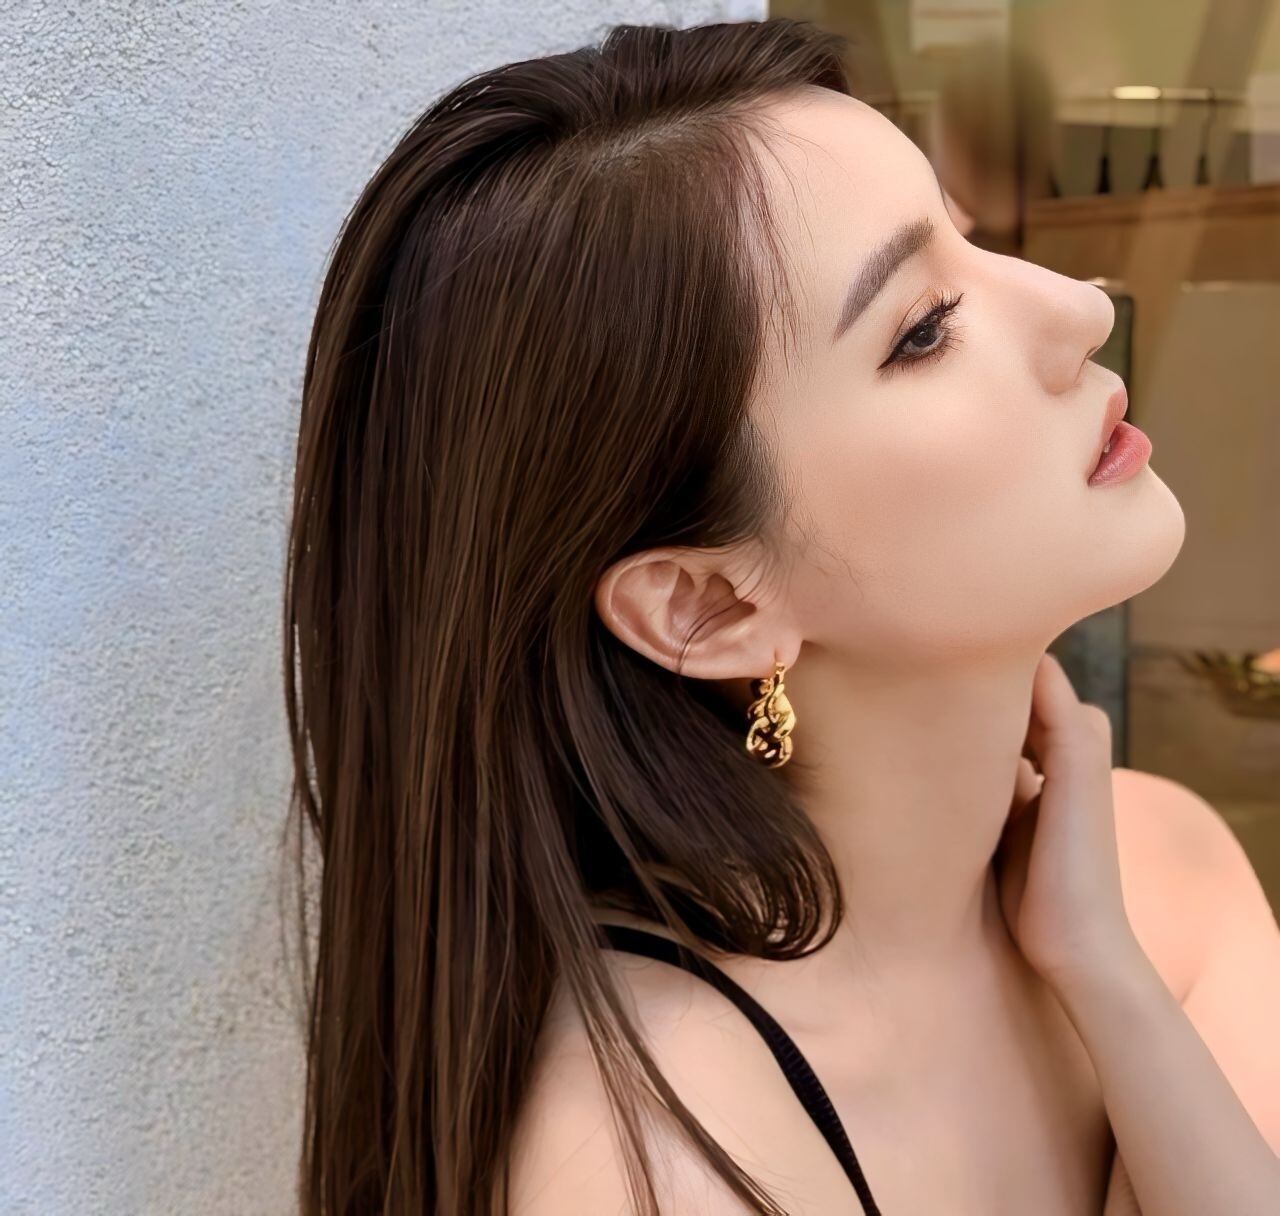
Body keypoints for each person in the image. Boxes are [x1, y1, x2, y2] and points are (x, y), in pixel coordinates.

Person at [282, 17, 1280, 1216]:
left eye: (969, 237)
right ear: (705, 604)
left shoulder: (1157, 867)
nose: (1076, 309)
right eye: (922, 331)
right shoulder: (654, 1161)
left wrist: (1109, 981)